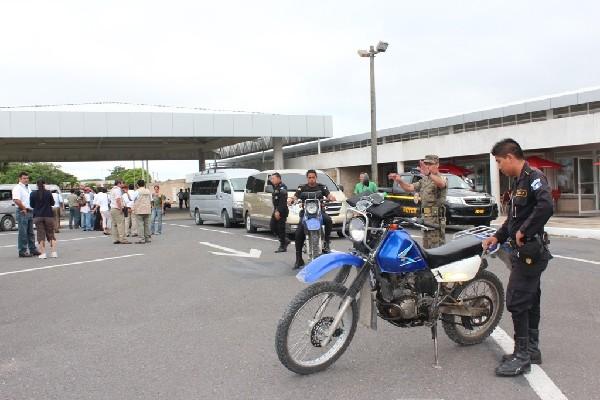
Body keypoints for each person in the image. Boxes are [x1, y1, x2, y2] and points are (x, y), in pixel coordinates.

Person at [482, 139, 553, 377]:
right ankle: (531, 350)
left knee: (516, 300)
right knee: (530, 300)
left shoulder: (534, 177)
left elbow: (546, 206)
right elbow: (513, 219)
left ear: (510, 157)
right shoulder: (519, 181)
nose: (499, 167)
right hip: (524, 251)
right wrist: (497, 237)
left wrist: (525, 230)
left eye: (499, 162)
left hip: (530, 252)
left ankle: (522, 357)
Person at [389, 155, 447, 249]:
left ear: (437, 165)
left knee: (436, 248)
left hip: (436, 219)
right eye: (426, 164)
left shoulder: (441, 178)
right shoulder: (424, 180)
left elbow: (441, 184)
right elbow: (409, 187)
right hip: (425, 217)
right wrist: (400, 181)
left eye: (430, 164)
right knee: (427, 247)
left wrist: (429, 173)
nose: (427, 166)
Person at [287, 169, 336, 269]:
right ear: (307, 178)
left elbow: (328, 195)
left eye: (313, 177)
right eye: (309, 177)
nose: (311, 179)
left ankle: (326, 242)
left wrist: (331, 197)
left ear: (316, 177)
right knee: (298, 233)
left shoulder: (322, 187)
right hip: (306, 213)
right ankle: (299, 259)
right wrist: (291, 200)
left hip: (319, 212)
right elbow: (295, 196)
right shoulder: (302, 188)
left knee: (328, 220)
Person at [12, 172, 40, 257]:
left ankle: (33, 249)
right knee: (23, 232)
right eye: (24, 178)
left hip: (30, 211)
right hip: (22, 211)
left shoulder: (28, 188)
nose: (26, 180)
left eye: (27, 178)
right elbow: (16, 200)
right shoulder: (17, 188)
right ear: (20, 179)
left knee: (30, 232)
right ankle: (22, 251)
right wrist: (23, 208)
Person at [30, 179, 58, 259]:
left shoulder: (32, 193)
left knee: (40, 234)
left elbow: (32, 205)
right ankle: (53, 252)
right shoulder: (48, 193)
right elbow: (52, 203)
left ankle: (43, 253)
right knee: (51, 234)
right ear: (44, 184)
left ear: (36, 185)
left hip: (38, 216)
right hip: (48, 215)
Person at [269, 172, 290, 253]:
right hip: (276, 210)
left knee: (281, 228)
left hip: (282, 211)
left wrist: (278, 211)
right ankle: (285, 240)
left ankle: (283, 245)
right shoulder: (276, 187)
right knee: (272, 226)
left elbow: (282, 201)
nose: (272, 180)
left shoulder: (282, 187)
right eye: (271, 179)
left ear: (278, 178)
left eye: (273, 178)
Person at [109, 179, 130, 244]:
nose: (123, 185)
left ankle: (116, 239)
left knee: (114, 224)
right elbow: (118, 200)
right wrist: (120, 208)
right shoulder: (117, 190)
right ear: (119, 184)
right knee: (120, 224)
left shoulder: (112, 189)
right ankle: (123, 239)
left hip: (112, 208)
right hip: (117, 208)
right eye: (122, 183)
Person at [133, 179, 152, 244]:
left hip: (139, 210)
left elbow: (132, 199)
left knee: (140, 225)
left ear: (138, 185)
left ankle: (141, 239)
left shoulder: (137, 191)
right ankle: (147, 238)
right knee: (146, 224)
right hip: (147, 209)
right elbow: (151, 200)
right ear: (144, 184)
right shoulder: (148, 191)